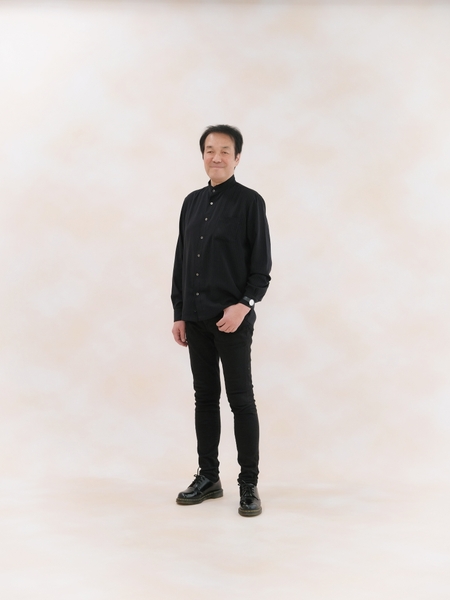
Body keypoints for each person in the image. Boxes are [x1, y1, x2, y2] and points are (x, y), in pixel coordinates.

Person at [171, 124, 272, 517]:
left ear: (237, 157)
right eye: (210, 150)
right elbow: (181, 261)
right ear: (203, 155)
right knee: (205, 399)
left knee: (241, 400)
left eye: (225, 150)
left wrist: (243, 305)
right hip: (195, 320)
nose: (216, 156)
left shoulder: (250, 203)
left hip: (232, 321)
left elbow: (261, 269)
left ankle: (249, 484)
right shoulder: (191, 203)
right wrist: (179, 312)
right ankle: (209, 477)